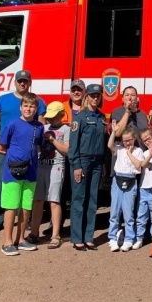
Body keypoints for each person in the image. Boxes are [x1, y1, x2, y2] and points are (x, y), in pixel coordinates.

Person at [0, 69, 47, 233]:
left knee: (25, 186)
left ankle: (23, 221)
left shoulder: (38, 102)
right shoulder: (3, 100)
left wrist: (39, 148)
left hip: (27, 151)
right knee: (4, 184)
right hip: (5, 150)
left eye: (25, 81)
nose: (22, 83)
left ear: (29, 83)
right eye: (20, 81)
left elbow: (41, 126)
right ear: (15, 82)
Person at [0, 92, 44, 255]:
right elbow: (2, 146)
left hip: (31, 171)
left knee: (26, 207)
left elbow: (38, 145)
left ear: (36, 108)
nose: (28, 109)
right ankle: (7, 242)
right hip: (13, 172)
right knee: (11, 206)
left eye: (32, 106)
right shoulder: (12, 124)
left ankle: (21, 239)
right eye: (25, 105)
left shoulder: (39, 127)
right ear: (20, 107)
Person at [68, 83, 106, 251]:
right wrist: (76, 165)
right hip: (82, 162)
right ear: (87, 97)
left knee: (93, 200)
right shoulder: (80, 118)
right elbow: (73, 146)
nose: (95, 98)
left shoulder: (102, 117)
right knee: (78, 200)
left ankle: (88, 237)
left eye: (98, 95)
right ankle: (77, 238)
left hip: (97, 163)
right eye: (92, 95)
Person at [27, 101, 70, 248]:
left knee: (54, 201)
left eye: (54, 117)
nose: (50, 120)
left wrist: (52, 140)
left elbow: (66, 150)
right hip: (41, 167)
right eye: (49, 117)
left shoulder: (66, 129)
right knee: (38, 200)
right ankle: (34, 233)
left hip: (57, 167)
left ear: (61, 115)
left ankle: (55, 235)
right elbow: (36, 144)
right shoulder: (43, 127)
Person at [107, 126, 145, 252]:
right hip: (117, 179)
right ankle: (112, 238)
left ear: (134, 139)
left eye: (129, 140)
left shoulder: (138, 151)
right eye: (125, 140)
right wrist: (113, 132)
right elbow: (110, 145)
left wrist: (129, 152)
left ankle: (129, 239)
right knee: (114, 211)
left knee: (128, 212)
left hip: (131, 179)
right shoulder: (119, 149)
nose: (127, 143)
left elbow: (138, 165)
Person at [134, 128, 152, 249]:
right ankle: (139, 238)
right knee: (141, 215)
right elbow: (143, 165)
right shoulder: (145, 153)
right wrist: (150, 154)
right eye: (144, 141)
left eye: (149, 138)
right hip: (144, 187)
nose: (147, 142)